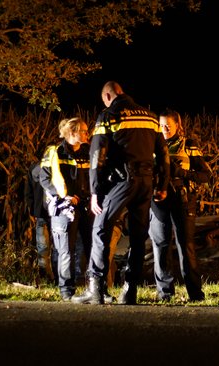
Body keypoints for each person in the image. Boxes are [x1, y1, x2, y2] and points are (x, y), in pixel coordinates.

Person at [72, 81, 170, 305]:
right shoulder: (150, 117)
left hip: (121, 181)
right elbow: (163, 154)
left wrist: (95, 191)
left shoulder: (108, 116)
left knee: (100, 229)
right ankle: (130, 290)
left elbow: (96, 156)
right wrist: (162, 184)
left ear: (108, 96)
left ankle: (95, 289)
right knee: (138, 236)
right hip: (146, 183)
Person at [149, 108, 211, 302]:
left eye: (169, 125)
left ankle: (195, 294)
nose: (165, 129)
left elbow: (206, 176)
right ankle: (165, 293)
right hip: (158, 200)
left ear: (178, 125)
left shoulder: (188, 145)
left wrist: (182, 173)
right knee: (160, 245)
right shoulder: (151, 146)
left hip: (182, 199)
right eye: (161, 125)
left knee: (186, 246)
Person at [39, 117, 93, 301]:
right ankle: (67, 292)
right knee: (66, 251)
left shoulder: (88, 151)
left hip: (86, 207)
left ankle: (93, 290)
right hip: (64, 208)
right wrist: (65, 196)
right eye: (84, 131)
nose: (88, 134)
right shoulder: (54, 152)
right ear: (72, 133)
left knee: (93, 248)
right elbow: (44, 179)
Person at [24, 160, 57, 283]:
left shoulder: (35, 168)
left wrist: (33, 210)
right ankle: (53, 278)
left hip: (42, 213)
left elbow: (28, 193)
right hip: (53, 214)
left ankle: (48, 278)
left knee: (43, 248)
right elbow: (29, 193)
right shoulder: (57, 166)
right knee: (56, 248)